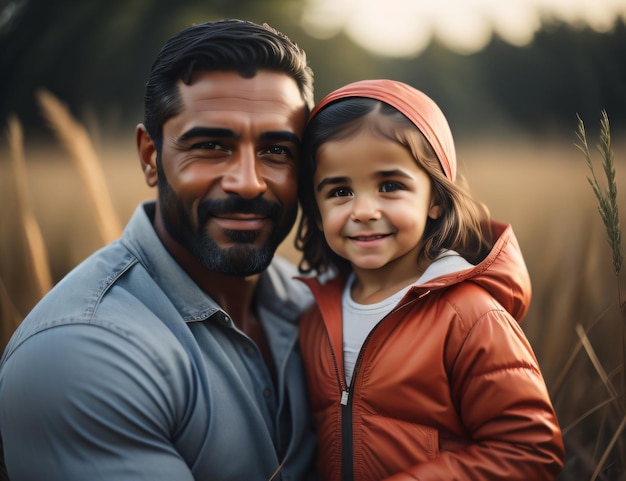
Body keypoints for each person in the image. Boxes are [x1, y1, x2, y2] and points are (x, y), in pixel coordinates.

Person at [0, 19, 317, 481]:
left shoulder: (319, 303)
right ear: (151, 157)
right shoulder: (79, 354)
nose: (249, 182)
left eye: (277, 150)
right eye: (210, 145)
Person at [294, 79, 565, 480]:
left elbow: (530, 450)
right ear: (316, 212)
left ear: (435, 198)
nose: (364, 210)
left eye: (390, 186)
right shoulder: (315, 316)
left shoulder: (471, 317)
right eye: (339, 191)